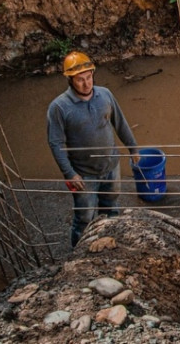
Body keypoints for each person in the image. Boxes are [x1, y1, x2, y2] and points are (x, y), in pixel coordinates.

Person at [47, 51, 139, 247]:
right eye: (80, 80)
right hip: (84, 175)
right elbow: (56, 143)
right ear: (70, 80)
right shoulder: (59, 107)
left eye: (89, 77)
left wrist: (133, 148)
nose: (86, 83)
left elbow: (120, 123)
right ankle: (78, 254)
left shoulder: (105, 95)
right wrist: (70, 173)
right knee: (84, 218)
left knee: (111, 208)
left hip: (111, 166)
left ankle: (109, 245)